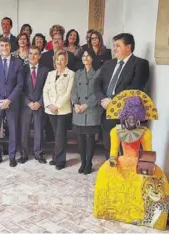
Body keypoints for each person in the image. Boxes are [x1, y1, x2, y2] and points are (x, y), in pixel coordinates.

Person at [93, 90, 169, 231]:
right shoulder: (115, 131)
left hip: (139, 164)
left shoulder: (145, 133)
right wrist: (112, 161)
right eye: (129, 117)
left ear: (139, 118)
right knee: (106, 177)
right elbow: (113, 153)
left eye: (135, 118)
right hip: (121, 164)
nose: (132, 121)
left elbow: (146, 154)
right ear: (124, 116)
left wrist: (146, 170)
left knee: (151, 184)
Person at [94, 33, 150, 159]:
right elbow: (97, 83)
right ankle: (111, 172)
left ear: (128, 48)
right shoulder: (109, 64)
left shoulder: (140, 64)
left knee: (127, 150)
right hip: (107, 111)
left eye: (118, 46)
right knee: (109, 147)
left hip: (128, 115)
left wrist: (112, 100)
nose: (114, 49)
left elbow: (135, 88)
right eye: (114, 46)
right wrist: (102, 99)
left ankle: (125, 175)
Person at [0, 37, 23, 167]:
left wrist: (9, 100)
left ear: (10, 46)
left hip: (12, 101)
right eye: (1, 46)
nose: (4, 48)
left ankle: (12, 156)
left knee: (13, 130)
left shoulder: (18, 62)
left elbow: (20, 84)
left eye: (6, 45)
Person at [71, 50, 102, 174]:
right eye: (83, 56)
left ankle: (88, 163)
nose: (86, 58)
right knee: (80, 138)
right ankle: (83, 162)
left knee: (90, 137)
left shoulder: (98, 73)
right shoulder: (78, 73)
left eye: (88, 56)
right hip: (78, 110)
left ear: (92, 58)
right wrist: (75, 104)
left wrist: (86, 105)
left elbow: (98, 91)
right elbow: (74, 90)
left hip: (91, 110)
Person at [43, 50, 75, 170]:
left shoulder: (71, 74)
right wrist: (49, 105)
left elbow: (68, 93)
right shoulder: (50, 73)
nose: (60, 62)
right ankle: (56, 157)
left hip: (62, 110)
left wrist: (57, 105)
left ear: (66, 61)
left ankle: (61, 160)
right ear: (54, 61)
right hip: (51, 110)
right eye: (58, 59)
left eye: (62, 60)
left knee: (60, 135)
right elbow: (45, 90)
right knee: (56, 134)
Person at [19, 46, 50, 164]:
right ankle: (24, 154)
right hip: (26, 105)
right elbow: (20, 89)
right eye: (30, 53)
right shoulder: (23, 69)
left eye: (36, 54)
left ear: (40, 56)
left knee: (39, 130)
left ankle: (38, 153)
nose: (32, 56)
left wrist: (40, 102)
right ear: (27, 55)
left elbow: (47, 89)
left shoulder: (45, 70)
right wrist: (28, 102)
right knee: (24, 131)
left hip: (39, 105)